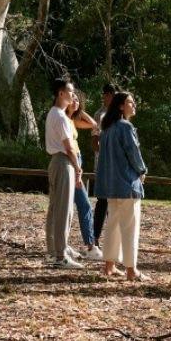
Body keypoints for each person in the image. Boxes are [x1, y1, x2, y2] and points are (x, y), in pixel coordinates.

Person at [92, 90, 147, 281]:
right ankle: (131, 270)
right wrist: (141, 171)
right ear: (121, 106)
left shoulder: (107, 129)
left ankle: (109, 265)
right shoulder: (125, 127)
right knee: (130, 227)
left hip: (110, 186)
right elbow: (133, 153)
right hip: (126, 184)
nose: (134, 105)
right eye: (131, 102)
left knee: (113, 225)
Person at [42, 78, 82, 268]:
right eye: (70, 91)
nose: (73, 95)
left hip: (57, 162)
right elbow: (69, 146)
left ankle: (54, 251)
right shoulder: (59, 115)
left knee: (55, 208)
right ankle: (60, 255)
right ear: (60, 93)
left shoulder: (54, 114)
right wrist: (77, 167)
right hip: (63, 162)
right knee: (63, 210)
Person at [67, 92, 104, 260]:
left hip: (76, 161)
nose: (75, 100)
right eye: (72, 98)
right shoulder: (62, 119)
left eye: (77, 98)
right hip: (71, 163)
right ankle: (90, 246)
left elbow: (93, 123)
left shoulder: (72, 120)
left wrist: (77, 109)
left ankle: (63, 244)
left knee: (70, 207)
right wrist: (77, 169)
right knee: (85, 205)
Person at [89, 83, 116, 246]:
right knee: (102, 201)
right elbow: (94, 141)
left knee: (115, 204)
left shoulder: (119, 114)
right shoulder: (99, 115)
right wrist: (104, 154)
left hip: (118, 167)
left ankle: (113, 241)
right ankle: (95, 238)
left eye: (108, 93)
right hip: (103, 165)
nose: (105, 96)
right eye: (104, 93)